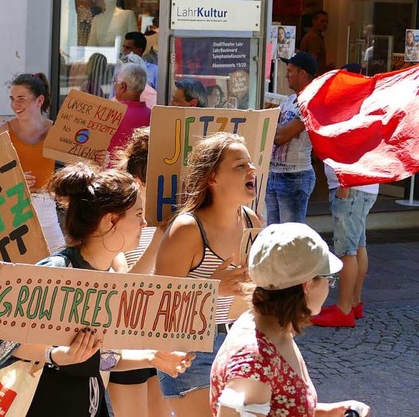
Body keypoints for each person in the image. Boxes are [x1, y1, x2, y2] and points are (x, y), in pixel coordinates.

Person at [0, 163, 194, 417]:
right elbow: (1, 344)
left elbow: (103, 359)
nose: (145, 223)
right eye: (138, 214)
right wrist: (56, 355)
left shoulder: (107, 277)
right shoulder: (57, 271)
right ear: (111, 220)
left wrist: (151, 358)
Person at [210, 222, 371, 417]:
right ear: (307, 285)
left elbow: (278, 406)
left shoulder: (264, 325)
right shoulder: (254, 361)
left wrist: (329, 412)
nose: (329, 286)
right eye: (328, 279)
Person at [153, 132, 260, 417]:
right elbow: (157, 305)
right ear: (212, 178)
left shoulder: (252, 221)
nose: (252, 170)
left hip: (241, 342)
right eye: (240, 166)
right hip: (191, 351)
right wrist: (211, 291)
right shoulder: (187, 229)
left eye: (250, 163)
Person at [109, 128, 172, 417]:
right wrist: (159, 237)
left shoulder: (173, 217)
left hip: (162, 332)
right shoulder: (117, 220)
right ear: (139, 180)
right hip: (130, 335)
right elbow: (124, 284)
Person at [0, 73, 65, 252]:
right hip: (10, 210)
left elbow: (81, 164)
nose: (15, 105)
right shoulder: (1, 131)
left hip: (46, 209)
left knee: (58, 266)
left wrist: (99, 158)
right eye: (12, 99)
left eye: (21, 99)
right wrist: (13, 179)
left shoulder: (56, 131)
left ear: (39, 100)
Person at [310, 163, 378, 328]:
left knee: (347, 251)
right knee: (357, 246)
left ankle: (344, 309)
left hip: (351, 187)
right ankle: (353, 303)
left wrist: (345, 185)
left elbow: (351, 150)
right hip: (360, 187)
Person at [265, 52, 317, 225]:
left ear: (302, 73)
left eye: (290, 71)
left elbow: (280, 136)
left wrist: (267, 118)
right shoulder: (290, 100)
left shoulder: (311, 102)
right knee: (273, 235)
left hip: (295, 175)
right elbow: (276, 131)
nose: (286, 75)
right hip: (275, 173)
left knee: (290, 239)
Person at [109, 63, 151, 163]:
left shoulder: (109, 114)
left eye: (115, 82)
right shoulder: (154, 116)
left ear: (122, 86)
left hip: (111, 175)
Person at [300, 10, 330, 75]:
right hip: (314, 78)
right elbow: (312, 60)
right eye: (322, 21)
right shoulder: (313, 37)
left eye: (327, 21)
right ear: (314, 22)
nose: (325, 24)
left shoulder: (314, 36)